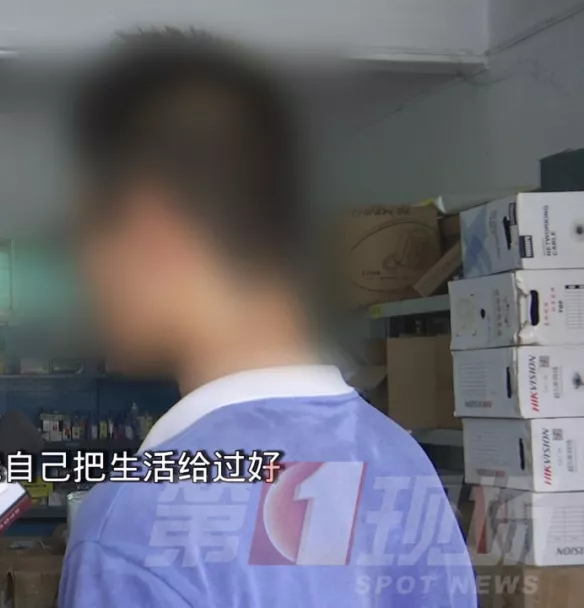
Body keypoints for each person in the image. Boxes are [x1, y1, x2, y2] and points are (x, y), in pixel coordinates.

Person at [60, 29, 475, 607]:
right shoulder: (403, 462)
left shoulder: (133, 524)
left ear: (151, 228)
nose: (84, 270)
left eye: (86, 231)